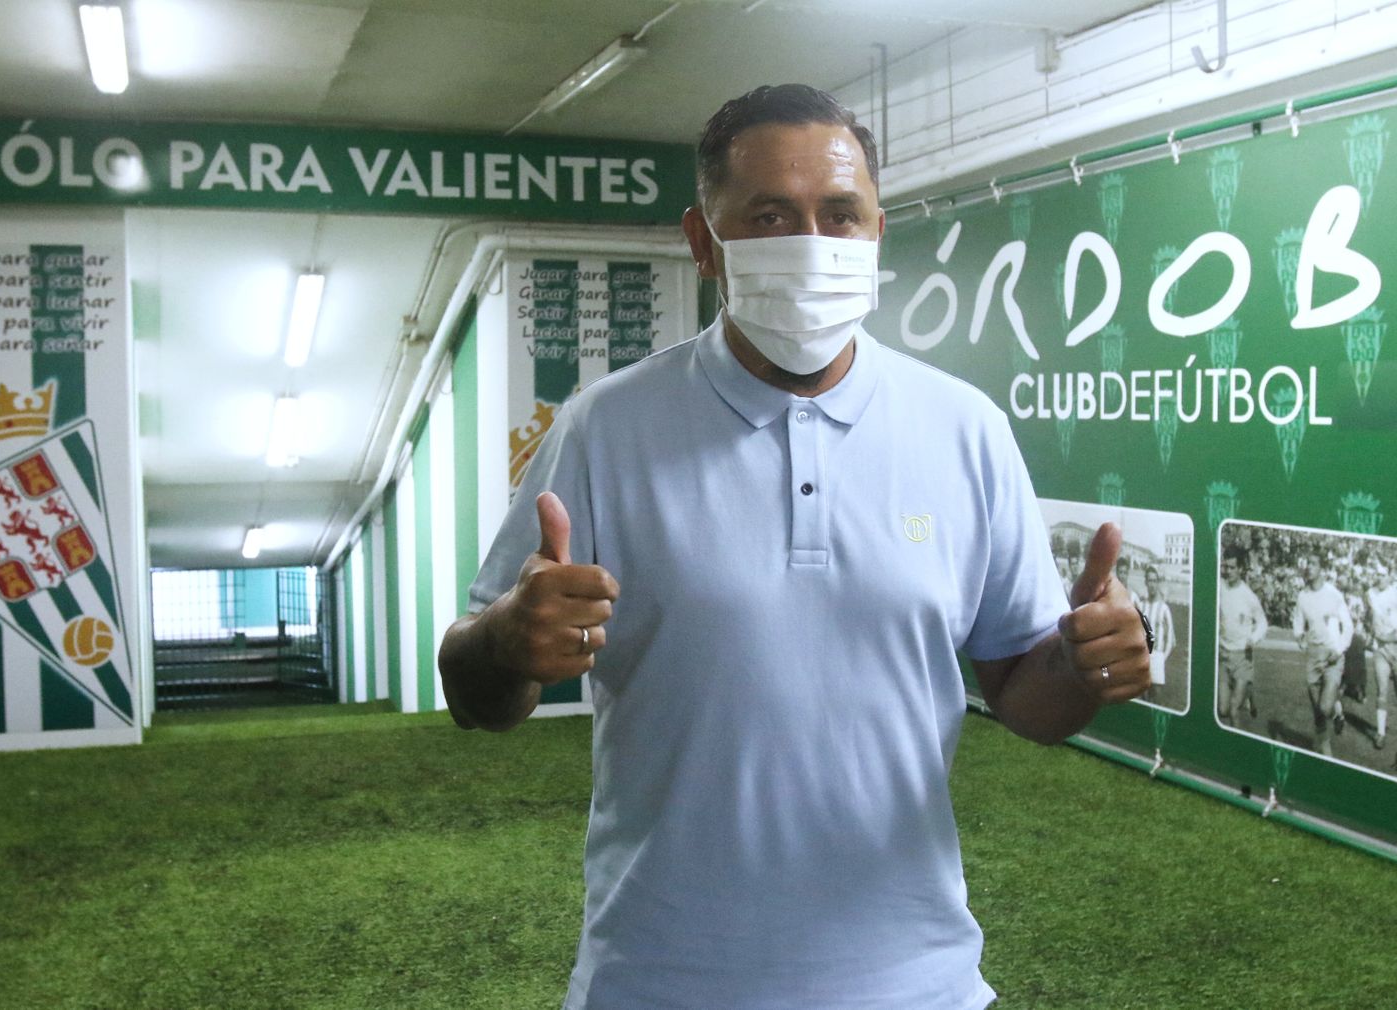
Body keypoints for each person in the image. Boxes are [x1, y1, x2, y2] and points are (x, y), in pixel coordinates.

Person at [437, 84, 1151, 1010]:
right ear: (705, 242)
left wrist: (1087, 667)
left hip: (919, 984)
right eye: (771, 217)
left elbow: (1022, 692)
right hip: (659, 982)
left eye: (840, 215)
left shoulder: (964, 428)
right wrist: (504, 640)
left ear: (877, 231)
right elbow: (472, 692)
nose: (812, 243)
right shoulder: (605, 429)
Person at [1292, 558, 1355, 758]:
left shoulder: (1333, 595)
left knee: (1324, 706)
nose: (1308, 567)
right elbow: (1298, 623)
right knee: (1318, 712)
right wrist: (1300, 638)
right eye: (1307, 564)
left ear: (1322, 569)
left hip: (1333, 656)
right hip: (1313, 656)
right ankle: (1326, 753)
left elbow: (1349, 626)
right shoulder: (1302, 596)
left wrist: (1340, 649)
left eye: (1313, 563)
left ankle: (1336, 711)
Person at [1365, 564, 1397, 750]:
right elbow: (1371, 616)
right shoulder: (1369, 593)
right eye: (1377, 575)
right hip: (1380, 649)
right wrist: (1373, 632)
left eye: (1383, 575)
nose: (1379, 578)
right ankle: (1380, 733)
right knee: (1381, 690)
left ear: (1389, 577)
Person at [1217, 548, 1268, 724]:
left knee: (1232, 709)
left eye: (1232, 567)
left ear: (1240, 569)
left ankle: (1233, 748)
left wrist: (1253, 639)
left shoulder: (1249, 597)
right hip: (1223, 655)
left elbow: (1262, 622)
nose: (1227, 571)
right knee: (1222, 710)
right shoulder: (1220, 588)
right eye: (1225, 567)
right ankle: (1249, 693)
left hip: (1242, 657)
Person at [1141, 565, 1175, 705]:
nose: (1152, 584)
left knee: (1157, 699)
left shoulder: (1164, 608)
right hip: (1142, 656)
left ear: (1158, 583)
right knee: (1143, 696)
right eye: (1150, 580)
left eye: (1155, 581)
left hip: (1158, 656)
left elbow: (1172, 640)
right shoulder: (1142, 606)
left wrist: (1162, 657)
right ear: (1146, 583)